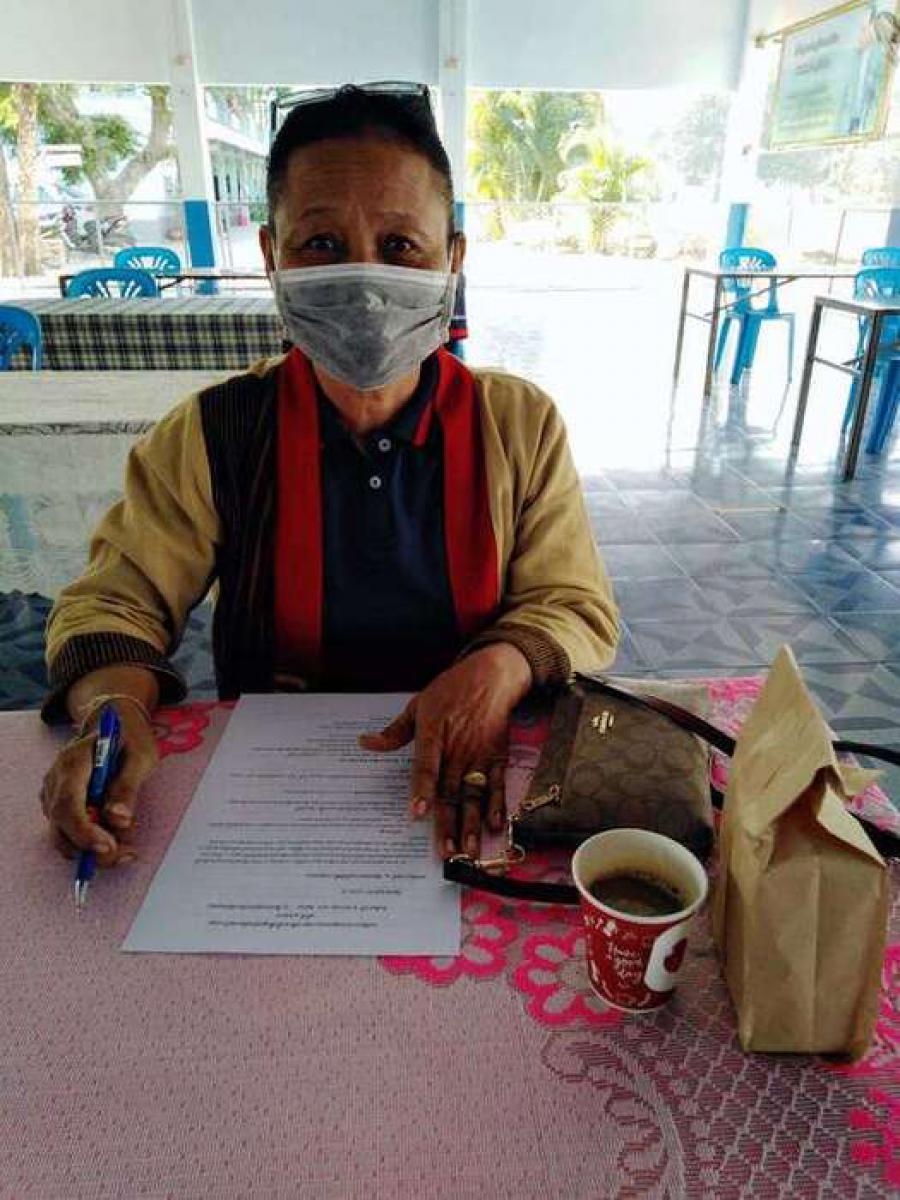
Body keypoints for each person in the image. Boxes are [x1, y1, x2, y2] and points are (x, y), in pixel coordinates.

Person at [39, 83, 618, 873]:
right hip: (276, 808)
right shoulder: (211, 434)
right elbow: (117, 601)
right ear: (271, 257)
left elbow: (573, 601)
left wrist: (497, 668)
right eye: (320, 243)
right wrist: (111, 710)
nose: (364, 280)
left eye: (401, 245)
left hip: (473, 785)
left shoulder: (517, 424)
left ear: (453, 259)